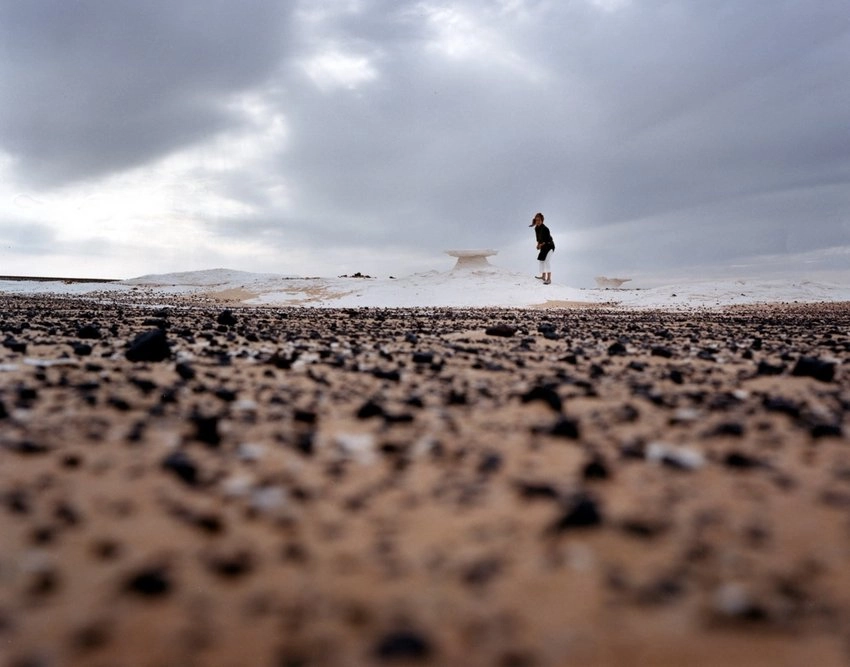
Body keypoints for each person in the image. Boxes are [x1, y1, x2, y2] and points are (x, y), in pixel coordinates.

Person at [529, 212, 554, 284]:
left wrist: (540, 245)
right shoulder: (536, 228)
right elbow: (538, 239)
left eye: (539, 220)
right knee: (541, 260)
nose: (538, 221)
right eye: (536, 220)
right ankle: (543, 276)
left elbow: (547, 240)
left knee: (547, 261)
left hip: (549, 246)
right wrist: (538, 244)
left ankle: (549, 279)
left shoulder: (545, 229)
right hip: (543, 246)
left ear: (542, 220)